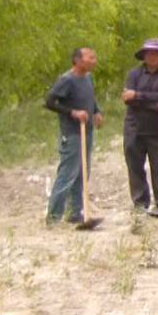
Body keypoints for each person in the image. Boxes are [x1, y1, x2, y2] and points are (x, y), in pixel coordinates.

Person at [44, 47, 101, 226]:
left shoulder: (88, 78)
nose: (94, 60)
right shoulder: (66, 80)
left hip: (88, 130)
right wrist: (72, 112)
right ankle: (53, 217)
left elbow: (90, 98)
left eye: (94, 57)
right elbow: (50, 102)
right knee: (68, 173)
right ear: (77, 60)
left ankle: (75, 212)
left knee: (83, 172)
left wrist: (96, 111)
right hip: (72, 132)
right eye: (90, 57)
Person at [122, 38, 158, 217]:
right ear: (144, 55)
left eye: (156, 53)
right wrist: (154, 103)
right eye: (149, 53)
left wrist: (137, 95)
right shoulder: (133, 74)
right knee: (135, 165)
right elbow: (128, 100)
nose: (153, 56)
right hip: (134, 126)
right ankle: (140, 203)